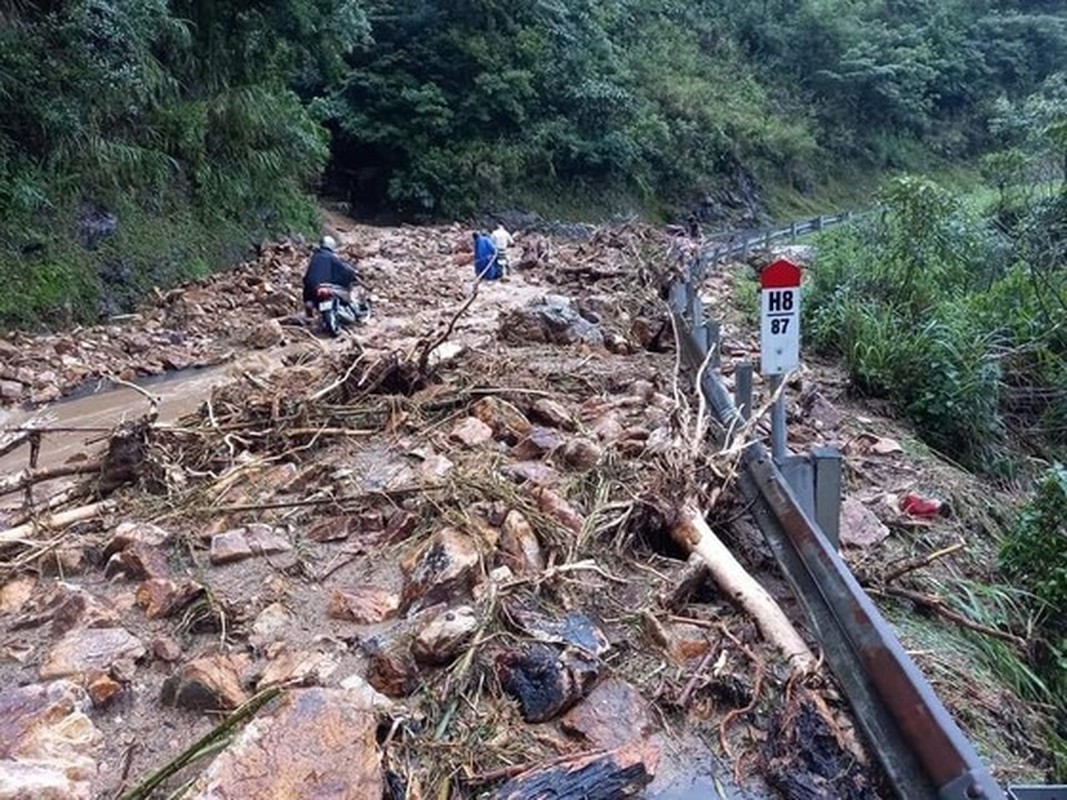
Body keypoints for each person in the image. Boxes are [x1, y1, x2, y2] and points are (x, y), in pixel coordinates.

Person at [302, 235, 359, 319]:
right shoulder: (332, 257)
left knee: (313, 297)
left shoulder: (315, 256)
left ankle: (311, 304)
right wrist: (352, 273)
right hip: (323, 287)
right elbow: (344, 269)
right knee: (342, 294)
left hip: (309, 289)